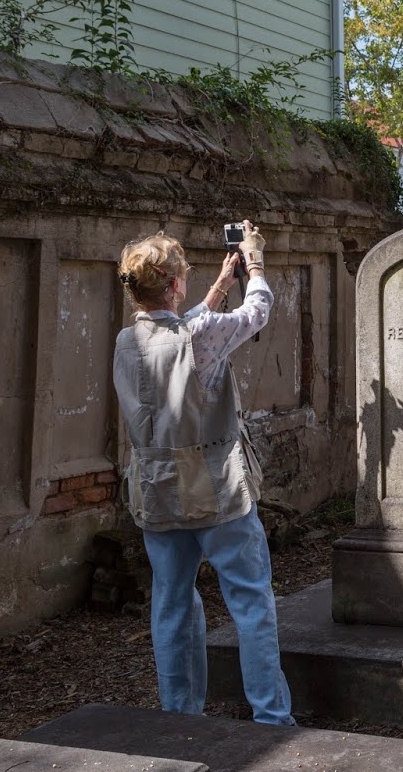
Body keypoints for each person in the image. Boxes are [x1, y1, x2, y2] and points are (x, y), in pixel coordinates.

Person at [111, 221, 294, 726]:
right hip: (214, 489)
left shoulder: (128, 341)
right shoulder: (200, 333)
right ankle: (271, 718)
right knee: (250, 602)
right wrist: (254, 263)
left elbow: (177, 333)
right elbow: (255, 313)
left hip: (157, 490)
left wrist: (216, 288)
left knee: (170, 605)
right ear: (174, 284)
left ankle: (180, 717)